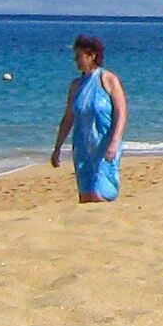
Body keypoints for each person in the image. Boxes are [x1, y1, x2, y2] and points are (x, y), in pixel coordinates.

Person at [49, 34, 128, 204]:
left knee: (101, 192)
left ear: (92, 56)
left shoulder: (108, 79)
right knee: (86, 194)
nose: (76, 61)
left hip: (105, 143)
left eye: (79, 56)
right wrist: (57, 148)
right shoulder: (76, 85)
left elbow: (121, 112)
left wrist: (115, 141)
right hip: (83, 146)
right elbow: (68, 118)